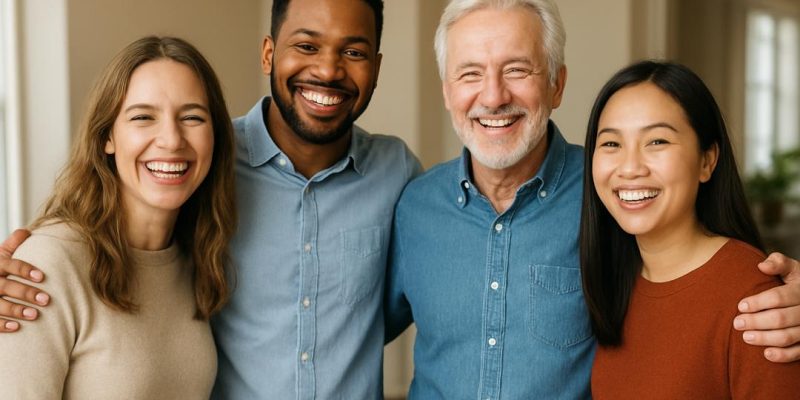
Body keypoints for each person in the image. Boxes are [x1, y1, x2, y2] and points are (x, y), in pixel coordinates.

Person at [0, 0, 419, 399]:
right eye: (307, 45)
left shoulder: (396, 172)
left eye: (193, 117)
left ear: (377, 67)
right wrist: (34, 261)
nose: (328, 69)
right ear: (269, 53)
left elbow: (416, 297)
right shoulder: (205, 169)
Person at [385, 0, 800, 399]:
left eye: (517, 69)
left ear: (557, 84)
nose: (493, 96)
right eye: (470, 73)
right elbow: (347, 326)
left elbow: (693, 276)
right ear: (446, 91)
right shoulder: (415, 207)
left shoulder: (609, 200)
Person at [0, 36, 236, 398]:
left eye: (192, 117)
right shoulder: (47, 264)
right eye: (143, 117)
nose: (171, 140)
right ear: (107, 136)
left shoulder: (197, 261)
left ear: (215, 136)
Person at [583, 60, 800, 398]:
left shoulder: (756, 300)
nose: (630, 167)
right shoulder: (612, 282)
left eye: (657, 142)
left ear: (707, 161)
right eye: (611, 144)